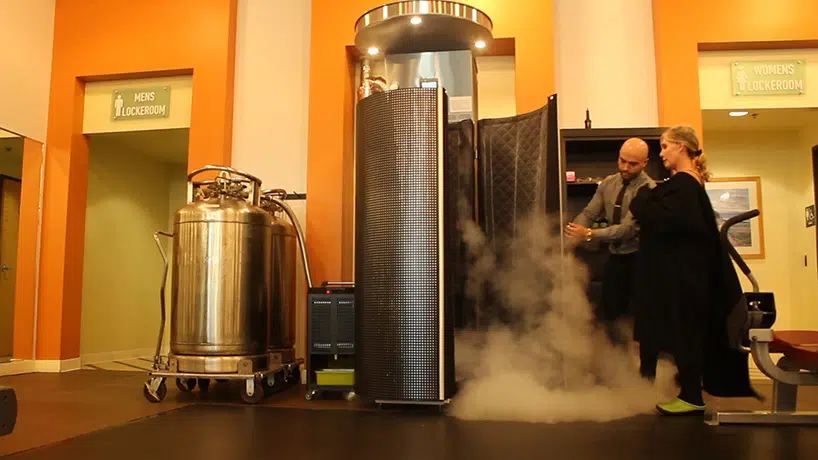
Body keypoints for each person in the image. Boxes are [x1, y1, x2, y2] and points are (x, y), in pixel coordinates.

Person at [629, 125, 759, 416]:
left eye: (664, 146)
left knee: (686, 335)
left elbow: (664, 217)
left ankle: (691, 396)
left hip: (686, 280)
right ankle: (684, 393)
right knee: (680, 335)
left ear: (681, 147)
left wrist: (642, 202)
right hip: (683, 278)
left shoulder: (685, 185)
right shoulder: (683, 185)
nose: (661, 153)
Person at [565, 138, 655, 343]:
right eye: (622, 161)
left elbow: (627, 229)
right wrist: (571, 236)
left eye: (632, 164)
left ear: (644, 163)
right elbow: (589, 213)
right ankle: (612, 363)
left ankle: (636, 367)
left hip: (639, 261)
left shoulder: (648, 190)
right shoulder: (608, 183)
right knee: (609, 318)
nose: (625, 167)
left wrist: (589, 234)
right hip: (614, 258)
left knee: (635, 322)